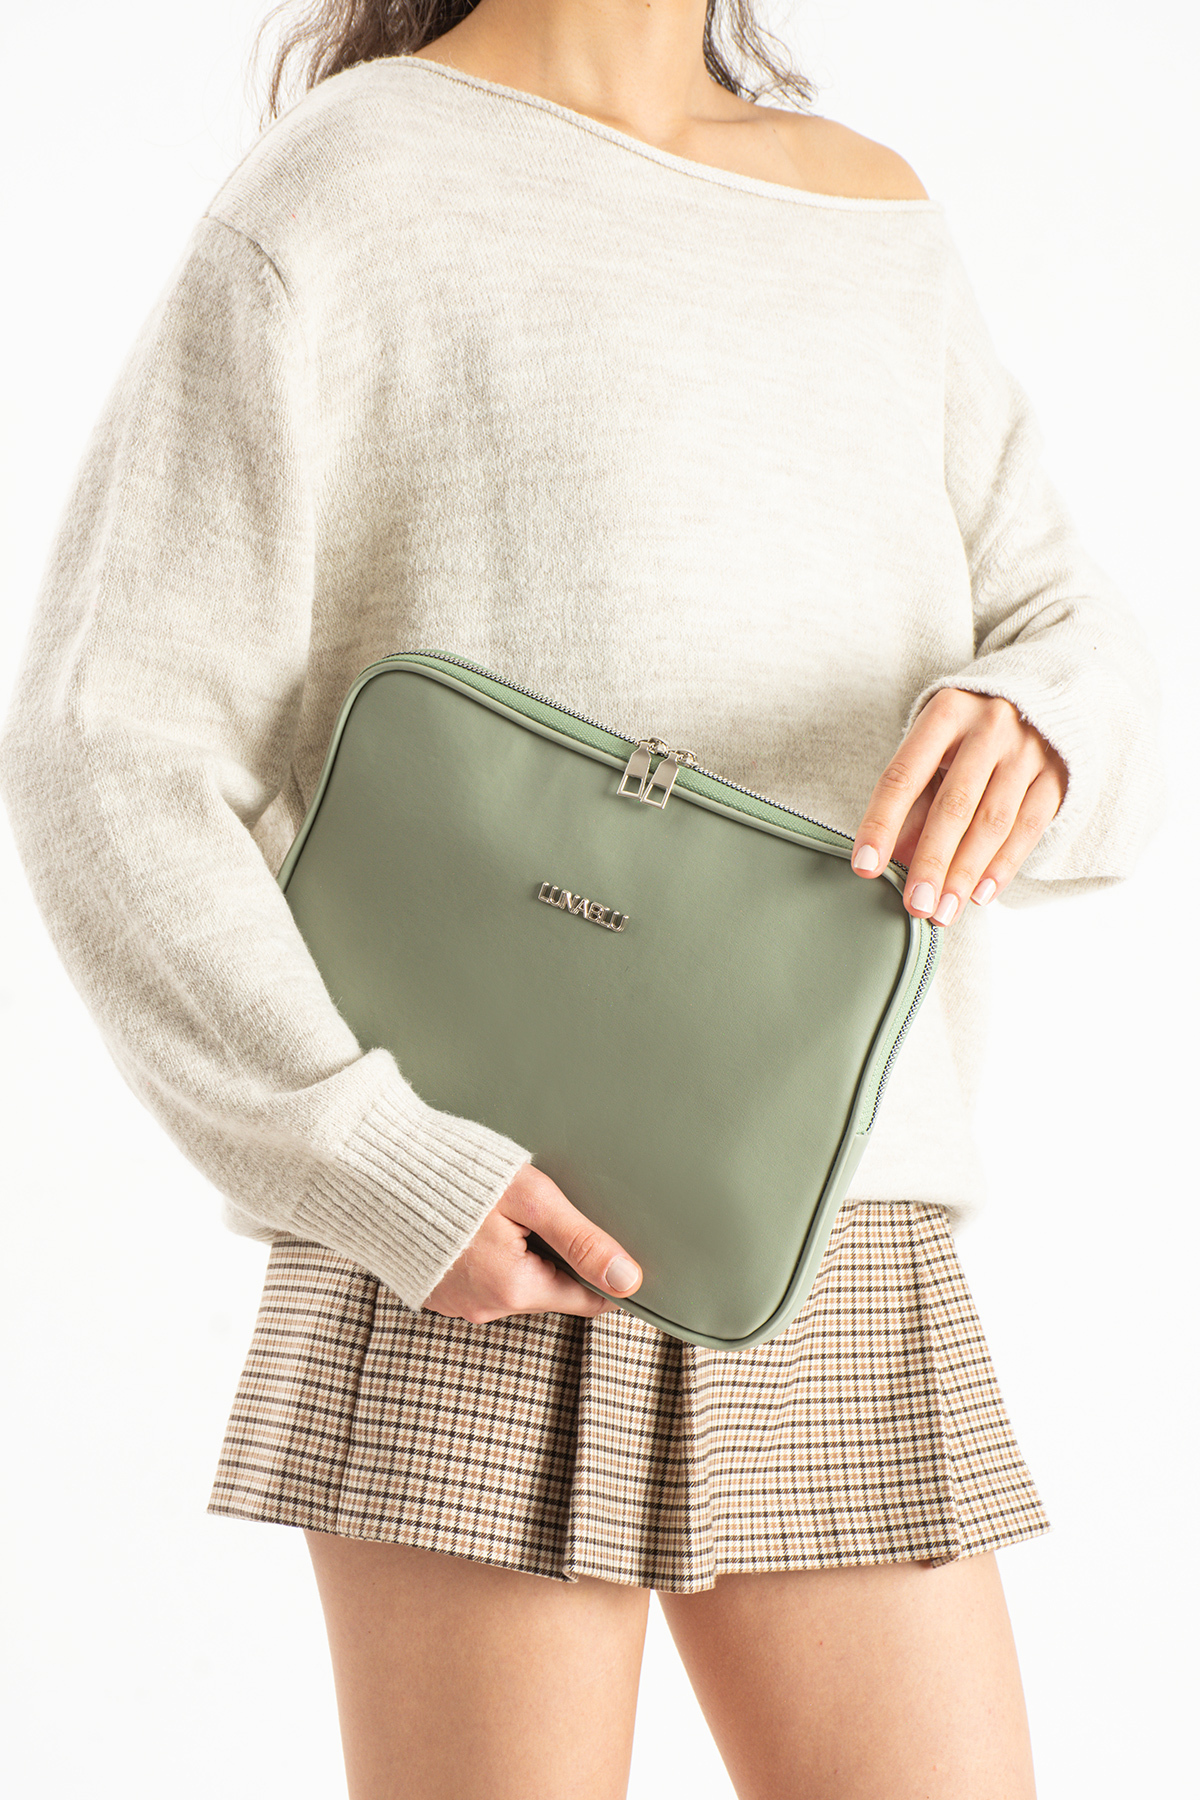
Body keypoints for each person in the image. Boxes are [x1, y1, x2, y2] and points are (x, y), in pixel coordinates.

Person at [0, 1, 1165, 1796]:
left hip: (835, 1215)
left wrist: (1043, 719)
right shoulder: (349, 185)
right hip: (471, 1218)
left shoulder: (870, 215)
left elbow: (1074, 639)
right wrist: (365, 1157)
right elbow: (107, 742)